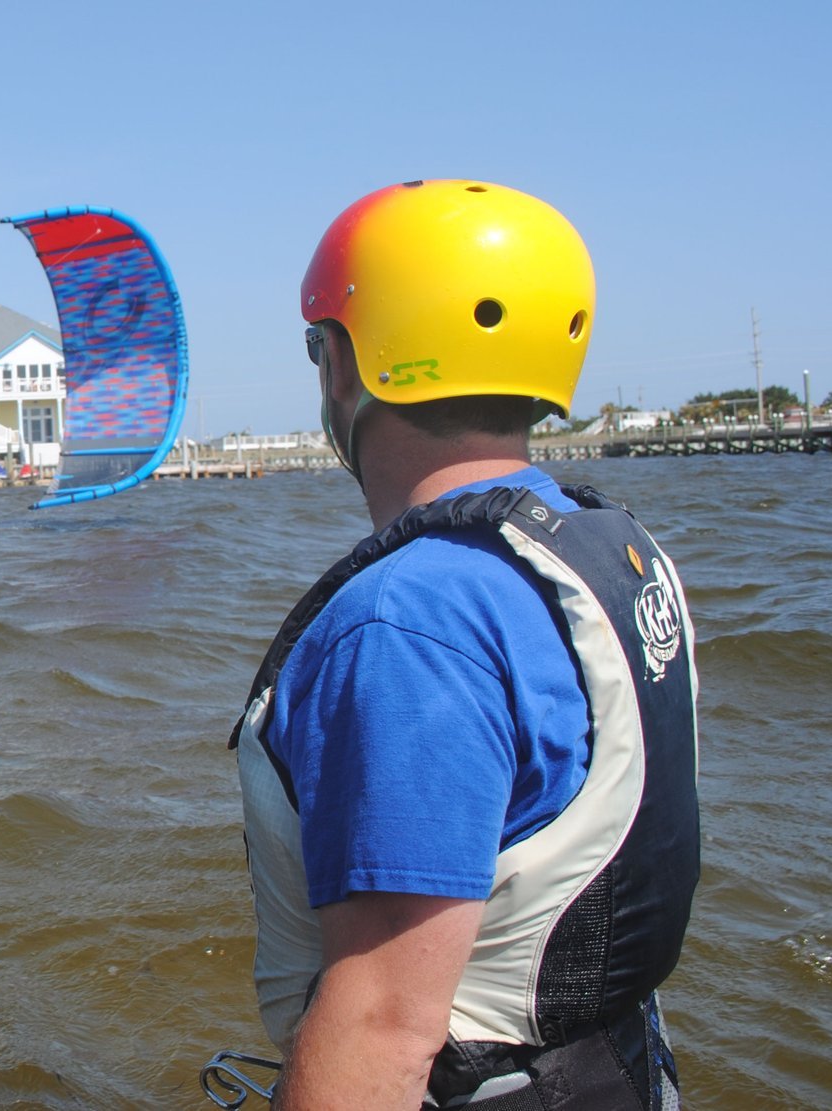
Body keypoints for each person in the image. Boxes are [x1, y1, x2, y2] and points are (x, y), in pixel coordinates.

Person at [230, 180, 699, 1109]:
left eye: (319, 345)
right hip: (622, 1070)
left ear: (344, 365)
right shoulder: (611, 544)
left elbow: (384, 1027)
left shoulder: (407, 623)